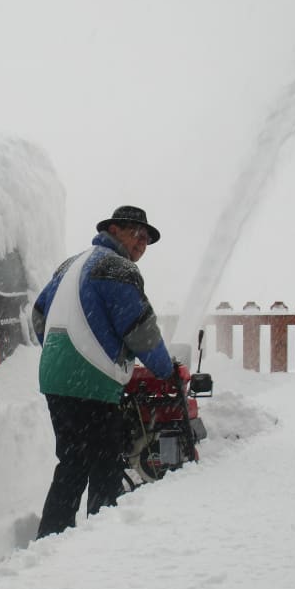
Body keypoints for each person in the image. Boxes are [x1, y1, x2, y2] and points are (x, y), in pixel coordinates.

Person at [32, 205, 176, 539]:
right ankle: (101, 544)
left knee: (71, 463)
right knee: (105, 464)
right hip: (91, 382)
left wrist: (61, 351)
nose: (141, 243)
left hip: (56, 378)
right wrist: (164, 370)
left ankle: (51, 540)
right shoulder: (117, 268)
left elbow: (39, 315)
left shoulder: (71, 264)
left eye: (146, 240)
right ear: (114, 229)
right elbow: (139, 328)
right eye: (136, 234)